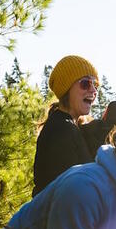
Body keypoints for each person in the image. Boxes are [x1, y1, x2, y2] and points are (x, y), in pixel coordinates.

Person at [32, 55, 98, 197]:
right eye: (85, 83)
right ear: (66, 88)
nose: (93, 90)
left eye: (95, 84)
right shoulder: (61, 130)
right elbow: (68, 194)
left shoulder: (70, 127)